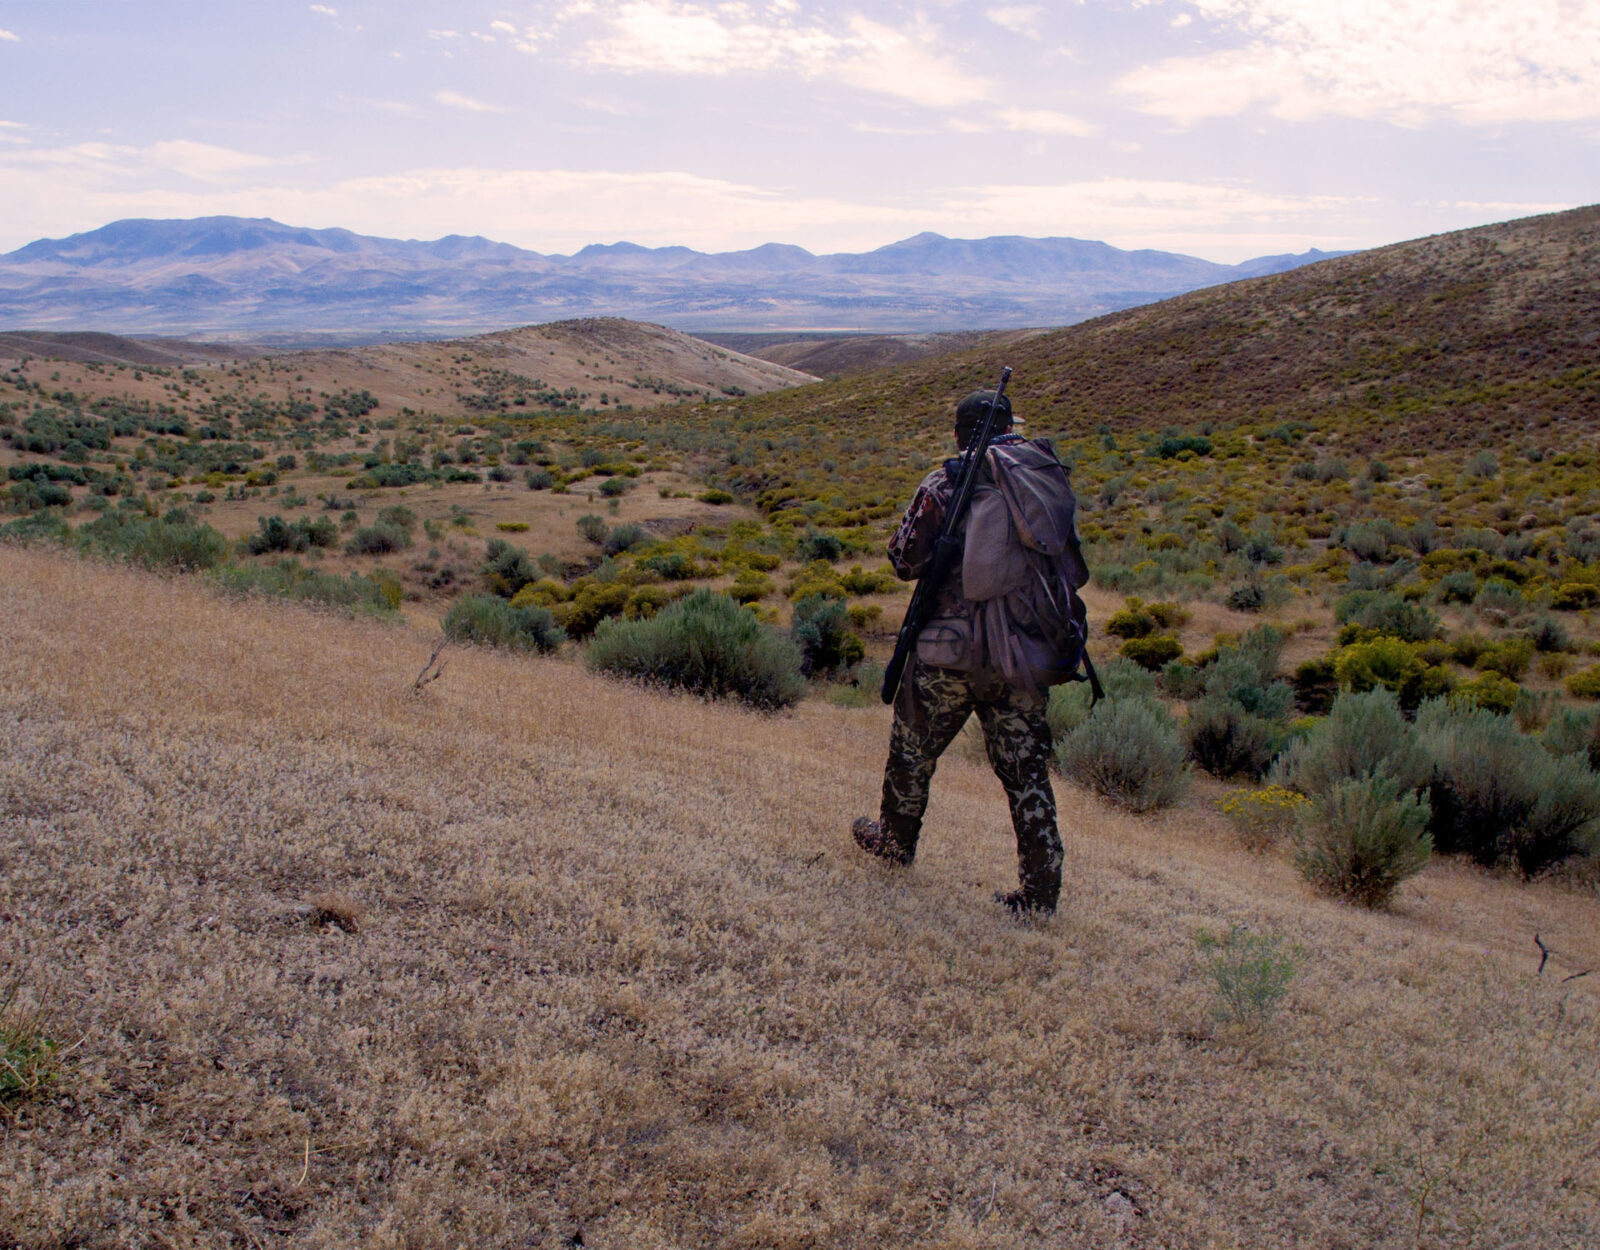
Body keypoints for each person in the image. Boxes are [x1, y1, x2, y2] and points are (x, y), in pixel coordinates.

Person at [851, 388, 1079, 916]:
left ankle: (895, 845)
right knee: (1026, 774)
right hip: (1018, 656)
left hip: (945, 653)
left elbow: (903, 560)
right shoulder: (1040, 483)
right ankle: (1041, 893)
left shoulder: (944, 483)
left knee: (912, 754)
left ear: (959, 433)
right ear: (1011, 427)